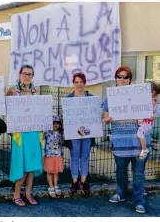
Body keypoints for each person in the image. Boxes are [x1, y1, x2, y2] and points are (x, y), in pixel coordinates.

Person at [102, 66, 150, 214]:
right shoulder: (109, 98)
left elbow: (149, 115)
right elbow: (105, 118)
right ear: (116, 79)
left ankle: (139, 202)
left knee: (138, 173)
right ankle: (120, 194)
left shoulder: (139, 95)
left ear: (130, 80)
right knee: (121, 171)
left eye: (125, 77)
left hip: (138, 141)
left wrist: (144, 117)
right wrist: (108, 118)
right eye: (119, 76)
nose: (122, 79)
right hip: (120, 140)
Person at [7, 64, 44, 207]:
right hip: (20, 135)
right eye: (25, 73)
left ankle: (28, 194)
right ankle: (16, 195)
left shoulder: (37, 93)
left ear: (32, 76)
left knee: (31, 166)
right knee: (22, 165)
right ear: (20, 75)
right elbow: (6, 107)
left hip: (34, 133)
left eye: (30, 74)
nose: (27, 76)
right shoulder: (13, 91)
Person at [67, 73, 93, 195]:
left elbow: (94, 116)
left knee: (85, 157)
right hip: (74, 133)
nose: (79, 84)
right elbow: (66, 118)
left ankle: (83, 182)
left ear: (84, 83)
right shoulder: (68, 99)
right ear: (73, 83)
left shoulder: (90, 97)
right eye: (76, 82)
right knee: (75, 157)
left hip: (87, 133)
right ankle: (74, 181)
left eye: (81, 81)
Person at [137, 81, 160, 159]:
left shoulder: (152, 101)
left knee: (140, 133)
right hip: (147, 122)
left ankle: (144, 149)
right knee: (140, 133)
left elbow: (147, 112)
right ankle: (143, 149)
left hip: (147, 122)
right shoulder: (154, 100)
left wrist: (141, 118)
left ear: (152, 92)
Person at [43, 115, 64, 198]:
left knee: (55, 172)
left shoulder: (61, 133)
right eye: (53, 123)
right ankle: (50, 186)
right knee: (49, 171)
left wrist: (62, 153)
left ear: (59, 124)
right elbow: (42, 134)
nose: (55, 125)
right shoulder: (47, 132)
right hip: (49, 155)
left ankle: (56, 185)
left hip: (57, 155)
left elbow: (62, 143)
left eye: (57, 123)